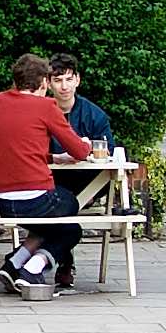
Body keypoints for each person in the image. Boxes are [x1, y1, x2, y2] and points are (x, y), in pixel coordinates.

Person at [0, 54, 91, 293]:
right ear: (45, 83)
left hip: (5, 201)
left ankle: (14, 264)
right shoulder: (46, 106)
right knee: (70, 224)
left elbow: (18, 146)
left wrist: (53, 158)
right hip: (36, 200)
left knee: (47, 227)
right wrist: (86, 145)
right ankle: (33, 269)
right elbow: (79, 150)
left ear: (16, 81)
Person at [45, 51, 117, 288]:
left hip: (88, 181)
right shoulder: (40, 111)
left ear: (77, 80)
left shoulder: (94, 115)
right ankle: (55, 259)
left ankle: (48, 259)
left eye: (68, 79)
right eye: (58, 80)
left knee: (58, 206)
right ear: (48, 83)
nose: (64, 86)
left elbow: (109, 151)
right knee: (53, 204)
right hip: (49, 179)